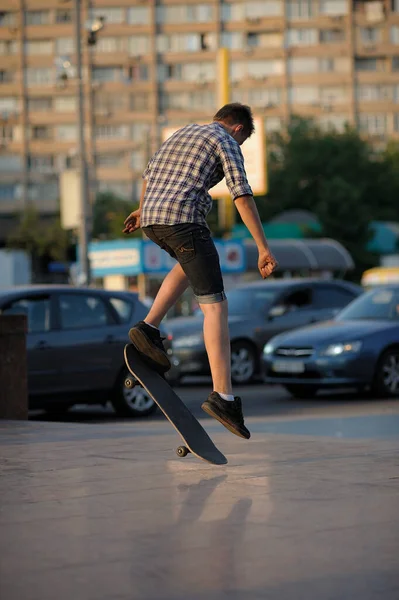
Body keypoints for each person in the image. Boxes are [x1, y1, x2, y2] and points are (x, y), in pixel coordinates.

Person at [123, 103, 277, 440]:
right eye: (244, 141)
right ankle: (223, 396)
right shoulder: (225, 141)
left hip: (152, 219)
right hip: (183, 220)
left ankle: (148, 328)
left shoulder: (182, 132)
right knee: (215, 306)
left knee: (186, 263)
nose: (241, 146)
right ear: (238, 129)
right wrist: (263, 247)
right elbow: (242, 195)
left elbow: (150, 175)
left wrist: (142, 208)